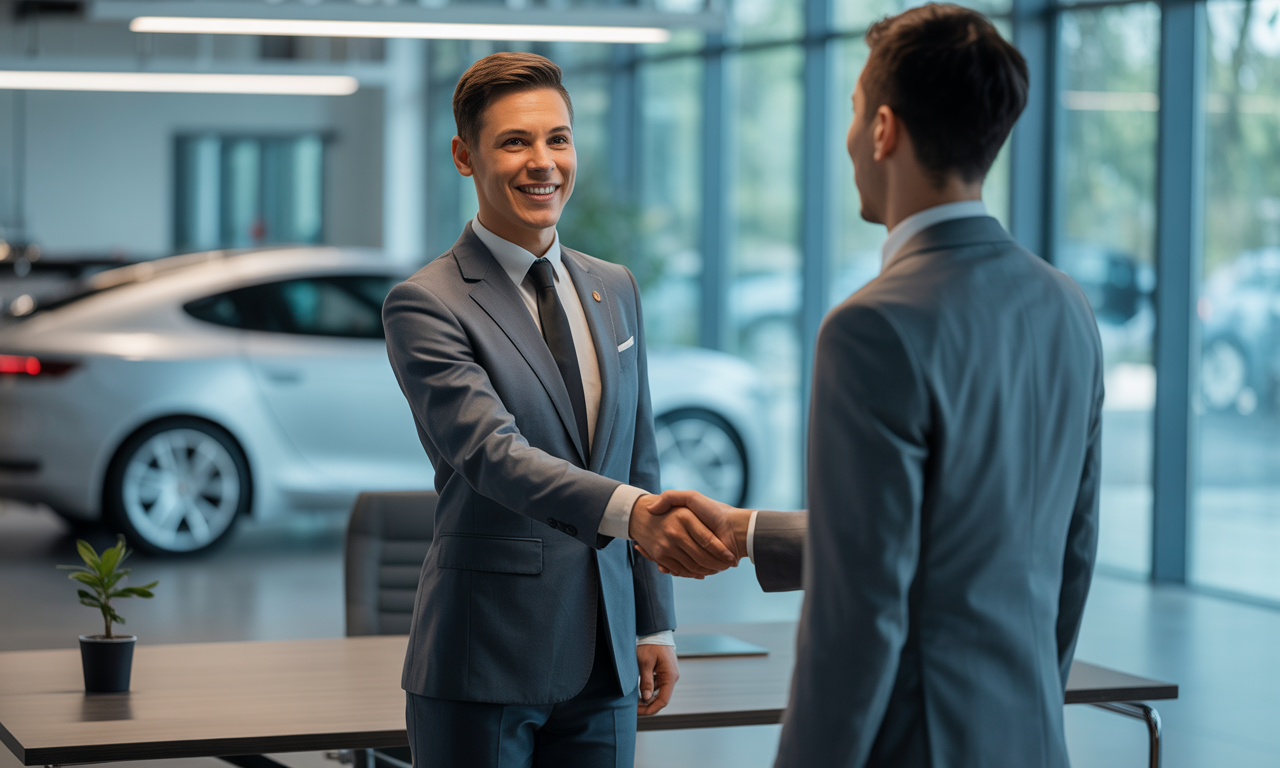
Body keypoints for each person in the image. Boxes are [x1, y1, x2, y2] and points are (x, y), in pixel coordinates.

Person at [639, 5, 1105, 767]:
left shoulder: (872, 327)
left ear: (884, 130)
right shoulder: (1065, 305)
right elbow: (1068, 554)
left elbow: (858, 618)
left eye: (855, 112)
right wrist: (748, 531)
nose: (850, 136)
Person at [382, 52, 735, 768]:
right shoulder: (427, 303)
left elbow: (638, 454)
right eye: (514, 141)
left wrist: (654, 621)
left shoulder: (615, 287)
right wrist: (636, 514)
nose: (542, 162)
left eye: (558, 138)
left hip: (605, 660)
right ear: (463, 155)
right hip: (484, 659)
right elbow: (494, 455)